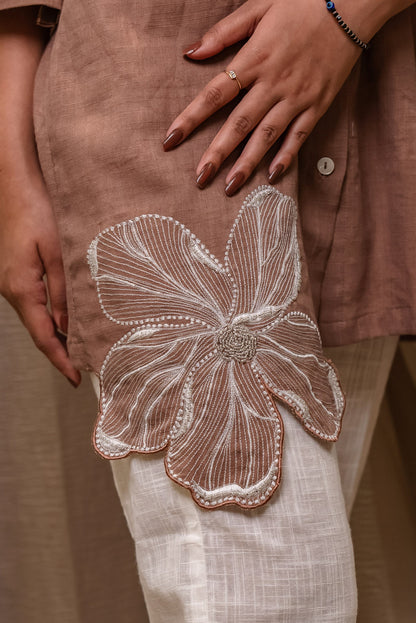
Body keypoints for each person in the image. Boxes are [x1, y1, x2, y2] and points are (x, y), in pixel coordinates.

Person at [0, 1, 415, 621]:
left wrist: (344, 14)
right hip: (160, 119)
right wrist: (8, 170)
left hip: (367, 116)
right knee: (266, 599)